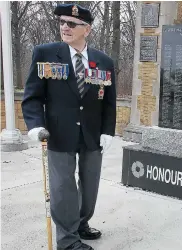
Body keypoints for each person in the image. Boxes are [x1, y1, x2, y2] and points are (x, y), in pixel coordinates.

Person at [21, 3, 116, 250]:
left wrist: (108, 130)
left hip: (92, 134)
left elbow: (109, 102)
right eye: (62, 22)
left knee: (90, 184)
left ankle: (80, 224)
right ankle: (68, 240)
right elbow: (32, 96)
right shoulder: (45, 54)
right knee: (63, 188)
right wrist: (34, 126)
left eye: (72, 24)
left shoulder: (104, 61)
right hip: (58, 133)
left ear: (88, 30)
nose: (65, 27)